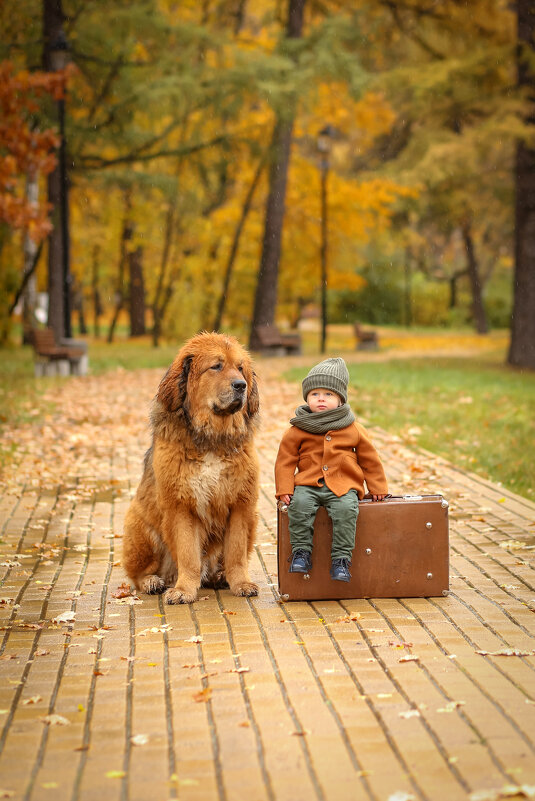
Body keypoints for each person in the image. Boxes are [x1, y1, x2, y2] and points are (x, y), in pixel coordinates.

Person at [274, 357, 388, 582]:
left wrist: (377, 487)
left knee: (347, 510)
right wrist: (285, 488)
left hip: (343, 484)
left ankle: (341, 560)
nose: (321, 399)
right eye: (315, 394)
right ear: (307, 397)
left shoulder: (352, 427)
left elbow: (370, 459)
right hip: (308, 484)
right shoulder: (298, 429)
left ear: (340, 399)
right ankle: (301, 552)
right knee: (299, 506)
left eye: (328, 394)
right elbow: (285, 460)